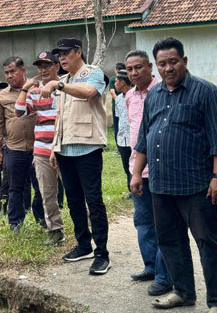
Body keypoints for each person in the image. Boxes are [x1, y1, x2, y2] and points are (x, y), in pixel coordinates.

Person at [130, 37, 217, 313]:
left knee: (208, 243)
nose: (168, 67)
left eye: (173, 61)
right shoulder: (155, 95)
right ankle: (183, 291)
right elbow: (144, 139)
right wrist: (137, 173)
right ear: (157, 66)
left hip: (198, 185)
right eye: (162, 63)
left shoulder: (206, 92)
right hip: (161, 185)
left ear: (184, 61)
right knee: (171, 242)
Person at [41, 38, 111, 275]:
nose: (61, 58)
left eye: (65, 53)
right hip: (65, 149)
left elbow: (89, 93)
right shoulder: (61, 80)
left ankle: (102, 253)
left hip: (88, 146)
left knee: (94, 200)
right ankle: (83, 245)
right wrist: (53, 147)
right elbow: (60, 117)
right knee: (73, 200)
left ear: (78, 52)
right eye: (58, 54)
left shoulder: (93, 73)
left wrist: (58, 87)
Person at [124, 50, 172, 297]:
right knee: (142, 221)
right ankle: (151, 267)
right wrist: (134, 170)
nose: (134, 72)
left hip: (161, 170)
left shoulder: (163, 91)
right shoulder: (130, 95)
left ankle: (166, 276)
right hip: (137, 169)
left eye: (138, 67)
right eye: (130, 69)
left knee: (164, 224)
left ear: (150, 67)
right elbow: (134, 134)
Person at [15, 51, 65, 246]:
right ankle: (55, 230)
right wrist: (25, 88)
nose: (43, 70)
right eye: (40, 66)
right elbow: (19, 112)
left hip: (64, 146)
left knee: (75, 191)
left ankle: (85, 229)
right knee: (47, 193)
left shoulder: (65, 88)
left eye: (47, 65)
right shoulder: (34, 92)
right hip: (42, 149)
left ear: (57, 66)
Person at [0, 57, 41, 232]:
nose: (9, 76)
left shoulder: (37, 88)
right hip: (14, 149)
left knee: (41, 187)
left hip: (39, 147)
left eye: (13, 71)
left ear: (23, 70)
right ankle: (15, 223)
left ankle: (42, 219)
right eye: (6, 73)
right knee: (15, 188)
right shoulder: (2, 95)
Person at [114, 69, 133, 193]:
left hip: (134, 138)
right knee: (126, 167)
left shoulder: (135, 96)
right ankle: (130, 189)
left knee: (135, 166)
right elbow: (119, 117)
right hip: (122, 139)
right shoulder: (118, 99)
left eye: (116, 81)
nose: (114, 84)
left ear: (122, 83)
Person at [109, 63, 126, 152]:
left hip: (121, 106)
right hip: (120, 105)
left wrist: (120, 103)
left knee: (119, 127)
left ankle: (121, 149)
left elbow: (112, 92)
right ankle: (120, 149)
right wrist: (120, 102)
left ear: (116, 70)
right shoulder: (114, 79)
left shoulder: (112, 79)